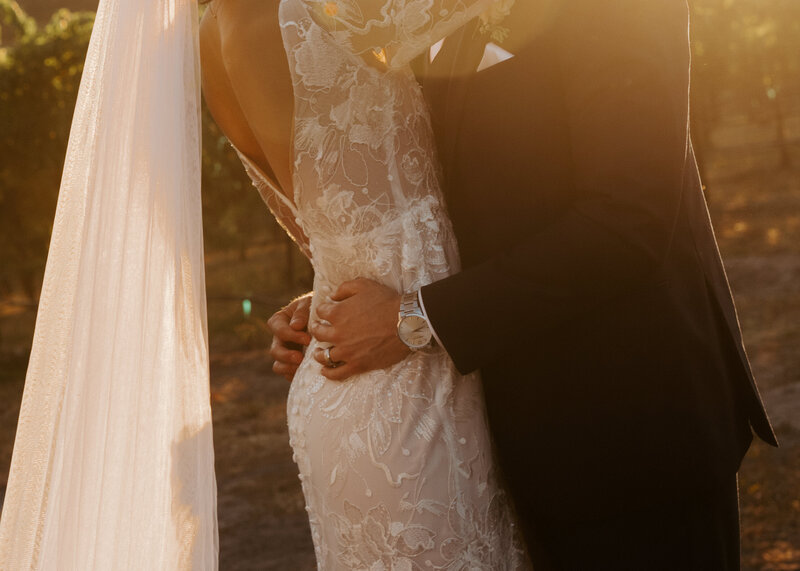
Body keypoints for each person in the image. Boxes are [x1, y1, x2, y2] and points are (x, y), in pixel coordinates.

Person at [269, 0, 779, 569]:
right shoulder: (430, 13)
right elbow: (467, 195)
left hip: (632, 434)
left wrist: (413, 319)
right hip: (520, 440)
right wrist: (340, 298)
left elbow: (628, 222)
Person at [200, 0, 530, 568]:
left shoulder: (211, 35)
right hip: (413, 376)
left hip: (340, 376)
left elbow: (326, 221)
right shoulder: (328, 10)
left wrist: (323, 291)